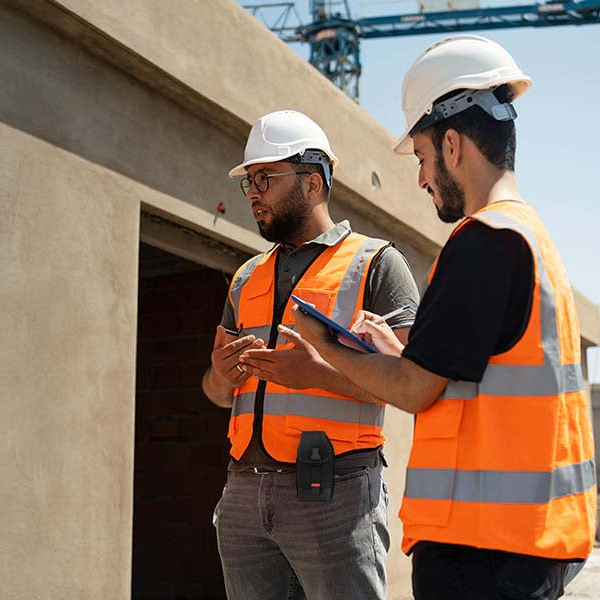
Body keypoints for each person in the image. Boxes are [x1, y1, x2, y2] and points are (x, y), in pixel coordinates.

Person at [287, 36, 596, 600]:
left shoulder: (481, 242)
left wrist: (325, 348)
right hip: (527, 543)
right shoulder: (530, 237)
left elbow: (415, 390)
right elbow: (469, 378)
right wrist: (399, 355)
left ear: (453, 145)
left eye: (424, 159)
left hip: (484, 553)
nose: (423, 178)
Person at [202, 109, 420, 600]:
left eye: (266, 177)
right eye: (249, 181)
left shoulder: (378, 265)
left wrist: (317, 374)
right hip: (242, 496)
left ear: (314, 182)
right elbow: (216, 393)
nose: (253, 192)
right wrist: (220, 377)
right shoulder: (245, 277)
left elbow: (414, 387)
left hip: (336, 495)